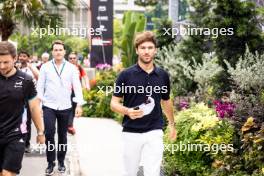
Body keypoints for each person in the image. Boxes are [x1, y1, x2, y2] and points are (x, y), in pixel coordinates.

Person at [110, 31, 177, 176]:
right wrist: (127, 111)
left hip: (155, 131)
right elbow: (113, 103)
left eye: (150, 47)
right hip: (131, 132)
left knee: (153, 172)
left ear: (155, 50)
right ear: (137, 50)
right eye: (143, 48)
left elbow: (166, 101)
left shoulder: (163, 75)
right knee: (130, 172)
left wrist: (172, 125)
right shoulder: (125, 75)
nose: (146, 51)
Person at [37, 40, 84, 175]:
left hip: (65, 106)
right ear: (52, 52)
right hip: (48, 106)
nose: (58, 52)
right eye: (55, 50)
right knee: (49, 133)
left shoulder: (71, 68)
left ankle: (61, 162)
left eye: (60, 50)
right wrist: (40, 105)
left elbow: (77, 87)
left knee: (62, 136)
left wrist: (79, 104)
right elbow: (40, 87)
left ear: (64, 52)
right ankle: (50, 163)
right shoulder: (45, 67)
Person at [0, 41, 45, 176]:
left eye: (6, 62)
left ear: (15, 59)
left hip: (16, 135)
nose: (2, 66)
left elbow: (34, 107)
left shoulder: (26, 80)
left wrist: (40, 132)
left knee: (7, 174)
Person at [18, 50, 40, 153]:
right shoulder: (16, 68)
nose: (22, 58)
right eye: (20, 56)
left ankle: (26, 143)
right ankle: (18, 141)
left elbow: (38, 76)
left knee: (27, 121)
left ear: (28, 57)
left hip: (29, 98)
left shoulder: (32, 68)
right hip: (18, 98)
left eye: (24, 56)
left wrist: (31, 67)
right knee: (18, 121)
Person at [67, 52, 90, 135]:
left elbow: (85, 77)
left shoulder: (79, 68)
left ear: (76, 59)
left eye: (74, 58)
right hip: (66, 92)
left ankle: (70, 125)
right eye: (70, 58)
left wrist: (87, 85)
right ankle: (67, 125)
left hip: (76, 92)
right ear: (68, 59)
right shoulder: (65, 67)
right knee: (67, 108)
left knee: (73, 108)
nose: (72, 59)